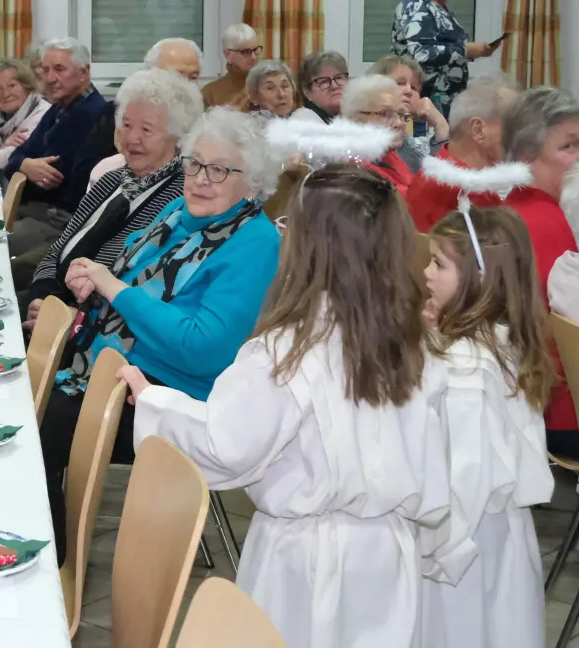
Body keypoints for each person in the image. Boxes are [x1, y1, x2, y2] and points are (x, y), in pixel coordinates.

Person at [120, 164, 447, 648]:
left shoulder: (285, 349)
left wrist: (153, 401)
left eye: (288, 224)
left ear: (310, 247)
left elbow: (228, 445)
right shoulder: (415, 341)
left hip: (304, 560)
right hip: (388, 552)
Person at [39, 108, 282, 555]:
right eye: (195, 164)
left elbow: (202, 349)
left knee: (40, 429)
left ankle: (51, 568)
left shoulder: (255, 242)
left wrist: (114, 290)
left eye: (219, 170)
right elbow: (122, 282)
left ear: (252, 184)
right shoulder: (177, 213)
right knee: (22, 395)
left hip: (170, 396)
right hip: (111, 363)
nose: (201, 179)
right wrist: (89, 279)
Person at [418, 207, 552, 648]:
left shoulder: (467, 372)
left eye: (438, 263)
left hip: (465, 546)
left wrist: (439, 552)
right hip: (498, 535)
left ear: (479, 278)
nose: (426, 273)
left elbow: (466, 477)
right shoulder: (496, 339)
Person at [22, 69, 201, 320]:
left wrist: (72, 319)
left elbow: (141, 289)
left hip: (97, 327)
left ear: (178, 137)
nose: (132, 138)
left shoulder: (180, 199)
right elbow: (58, 249)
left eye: (146, 130)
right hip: (52, 309)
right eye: (126, 125)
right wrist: (40, 296)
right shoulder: (112, 179)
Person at [498, 88, 579, 454]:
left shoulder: (512, 209)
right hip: (560, 411)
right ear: (526, 154)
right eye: (568, 146)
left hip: (525, 405)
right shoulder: (549, 224)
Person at [2, 37, 111, 282]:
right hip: (34, 214)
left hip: (59, 225)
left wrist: (23, 167)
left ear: (84, 72)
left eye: (60, 69)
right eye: (45, 70)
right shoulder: (59, 108)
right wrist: (25, 165)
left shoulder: (95, 116)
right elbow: (15, 158)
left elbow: (56, 180)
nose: (50, 78)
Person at [77, 37, 205, 199]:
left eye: (192, 78)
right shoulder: (109, 173)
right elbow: (81, 173)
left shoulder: (189, 186)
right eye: (176, 76)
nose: (184, 86)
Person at [393, 0, 500, 119]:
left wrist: (474, 50)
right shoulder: (415, 7)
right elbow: (420, 54)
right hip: (426, 105)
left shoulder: (435, 6)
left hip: (444, 102)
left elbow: (444, 47)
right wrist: (465, 50)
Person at [405, 78, 519, 231]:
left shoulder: (445, 180)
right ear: (478, 130)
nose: (521, 137)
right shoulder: (457, 195)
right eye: (513, 127)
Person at [340, 74, 415, 197]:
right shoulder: (356, 173)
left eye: (401, 114)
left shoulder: (388, 154)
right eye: (385, 114)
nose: (398, 123)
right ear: (354, 119)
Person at [370, 54, 449, 167]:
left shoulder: (411, 144)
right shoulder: (364, 132)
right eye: (400, 83)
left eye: (414, 87)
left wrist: (440, 123)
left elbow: (436, 171)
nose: (408, 91)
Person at [202, 23, 260, 109]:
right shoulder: (210, 93)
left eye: (255, 50)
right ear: (228, 54)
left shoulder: (267, 85)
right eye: (246, 52)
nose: (253, 57)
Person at [289, 52, 348, 124]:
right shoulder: (303, 121)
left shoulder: (348, 116)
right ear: (307, 92)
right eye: (324, 81)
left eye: (339, 78)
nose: (334, 86)